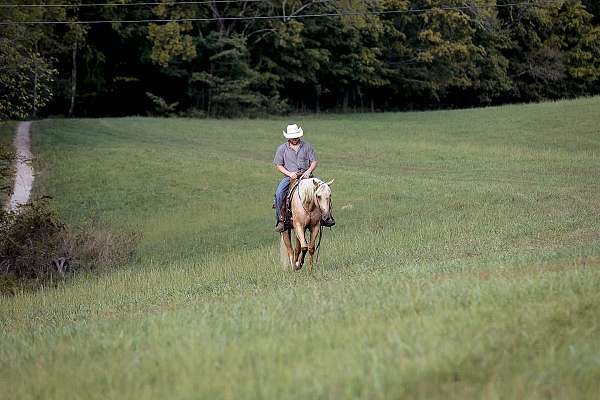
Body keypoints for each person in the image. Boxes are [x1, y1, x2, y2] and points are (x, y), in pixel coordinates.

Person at [273, 123, 334, 232]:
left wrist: (309, 171)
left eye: (296, 136)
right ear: (289, 137)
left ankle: (327, 217)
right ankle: (281, 220)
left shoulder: (307, 146)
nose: (295, 138)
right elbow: (279, 165)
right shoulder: (282, 149)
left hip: (307, 176)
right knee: (279, 193)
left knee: (324, 190)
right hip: (290, 177)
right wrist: (289, 173)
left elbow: (314, 161)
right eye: (293, 137)